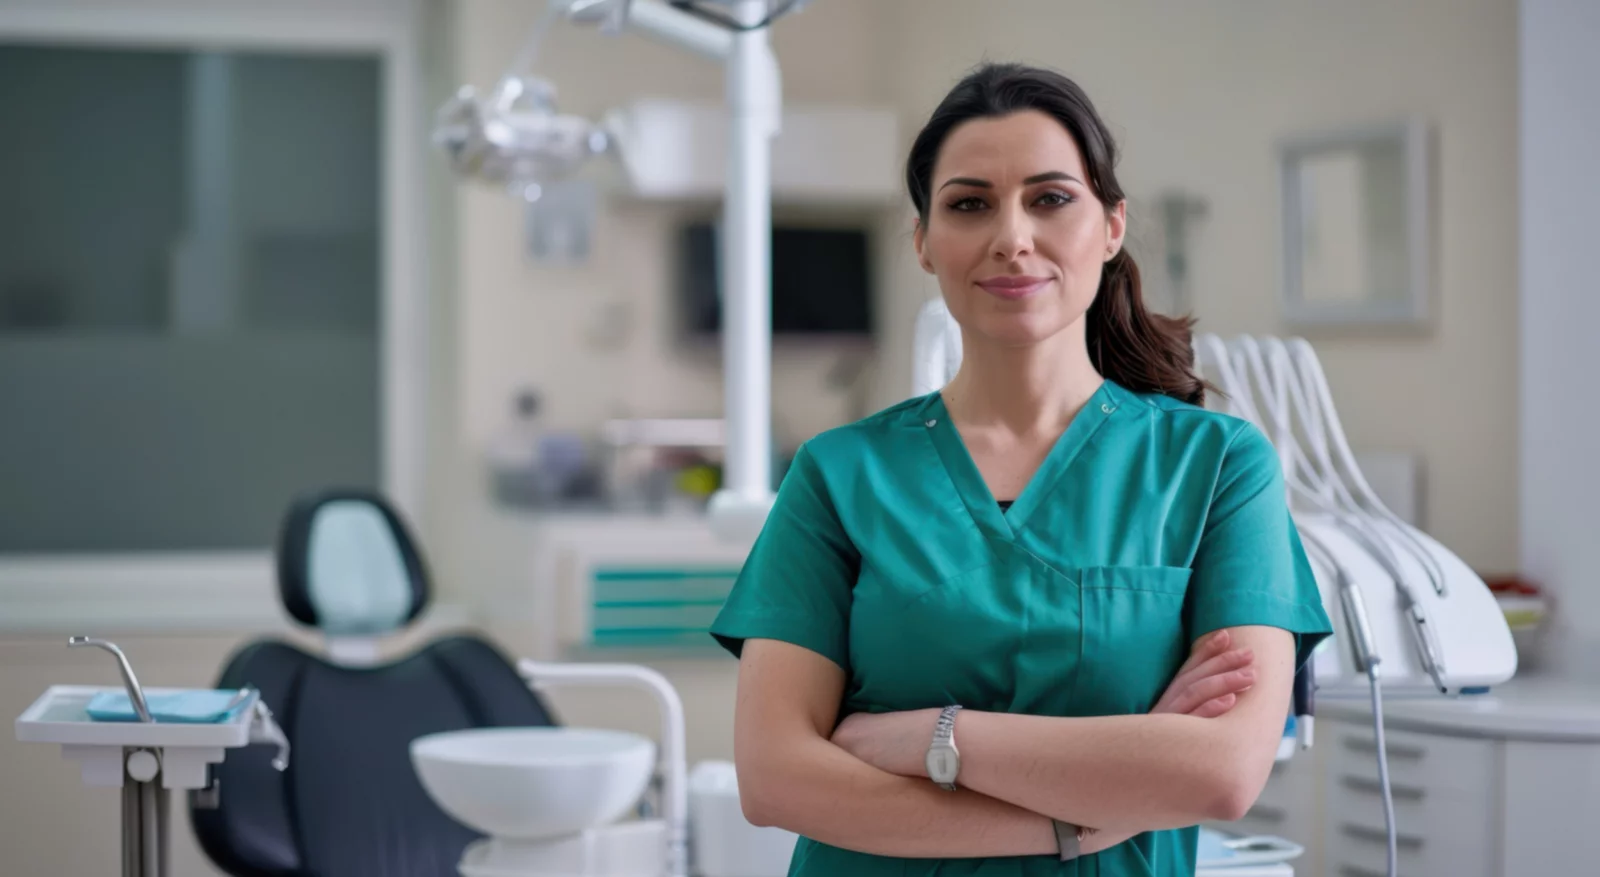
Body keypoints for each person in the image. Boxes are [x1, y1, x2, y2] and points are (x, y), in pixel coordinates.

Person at [707, 62, 1333, 876]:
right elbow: (777, 778)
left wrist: (932, 737)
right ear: (924, 243)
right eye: (970, 203)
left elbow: (1220, 772)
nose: (1011, 236)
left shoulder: (1215, 466)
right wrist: (1084, 818)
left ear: (1111, 227)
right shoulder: (841, 474)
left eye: (1050, 198)